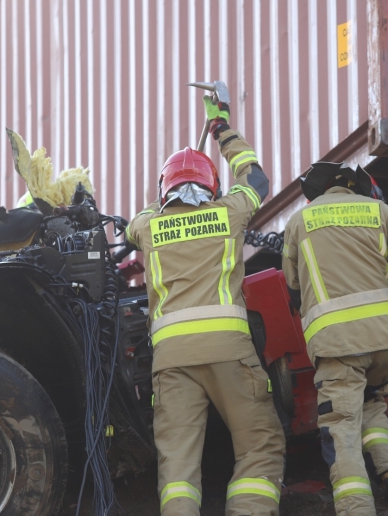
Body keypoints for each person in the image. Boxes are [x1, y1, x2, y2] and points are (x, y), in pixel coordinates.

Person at [126, 96, 285, 516]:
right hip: (228, 350)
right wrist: (221, 129)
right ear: (213, 185)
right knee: (258, 445)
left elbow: (134, 223)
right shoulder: (230, 212)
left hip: (171, 361)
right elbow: (257, 181)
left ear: (164, 189)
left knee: (177, 465)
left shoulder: (147, 225)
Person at [281, 162, 388, 516]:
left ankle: (356, 508)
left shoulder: (298, 222)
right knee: (371, 401)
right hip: (387, 342)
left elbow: (293, 291)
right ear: (361, 188)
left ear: (319, 189)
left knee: (341, 428)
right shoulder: (380, 212)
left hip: (337, 346)